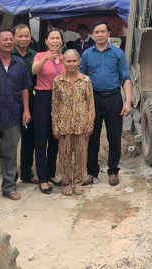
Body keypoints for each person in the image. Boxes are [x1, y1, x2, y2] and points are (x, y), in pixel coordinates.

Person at [80, 21, 131, 187]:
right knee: (92, 136)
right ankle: (91, 172)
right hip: (93, 99)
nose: (100, 34)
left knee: (114, 136)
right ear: (92, 34)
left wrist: (128, 102)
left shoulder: (117, 53)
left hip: (114, 98)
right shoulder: (87, 54)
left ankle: (113, 171)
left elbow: (125, 77)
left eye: (103, 31)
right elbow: (82, 78)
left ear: (109, 33)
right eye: (97, 32)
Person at [0, 28, 32, 201]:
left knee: (10, 154)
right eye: (5, 39)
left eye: (11, 39)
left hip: (13, 116)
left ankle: (9, 186)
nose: (9, 42)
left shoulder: (19, 63)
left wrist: (26, 110)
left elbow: (25, 87)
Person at [52, 49, 95, 196]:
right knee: (64, 155)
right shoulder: (58, 81)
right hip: (63, 125)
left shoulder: (85, 80)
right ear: (63, 62)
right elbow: (55, 105)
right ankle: (66, 183)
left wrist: (90, 123)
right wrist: (55, 125)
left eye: (74, 61)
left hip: (81, 125)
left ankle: (78, 182)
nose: (71, 64)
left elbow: (90, 104)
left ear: (79, 62)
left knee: (81, 155)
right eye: (68, 61)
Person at [31, 29, 65, 193]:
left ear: (61, 42)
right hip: (43, 98)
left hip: (60, 99)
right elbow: (34, 71)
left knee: (55, 137)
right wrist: (46, 58)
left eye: (57, 38)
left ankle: (51, 173)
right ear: (46, 41)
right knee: (41, 139)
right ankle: (42, 178)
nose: (55, 41)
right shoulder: (39, 56)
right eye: (52, 38)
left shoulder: (65, 59)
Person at [12, 23, 38, 184]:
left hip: (32, 100)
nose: (24, 39)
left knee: (29, 139)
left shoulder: (36, 56)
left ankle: (27, 172)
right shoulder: (7, 55)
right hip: (11, 101)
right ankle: (11, 175)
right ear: (14, 37)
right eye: (20, 36)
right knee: (11, 140)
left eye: (26, 36)